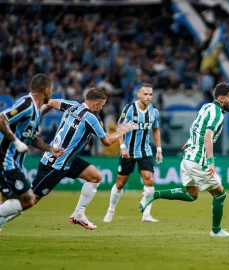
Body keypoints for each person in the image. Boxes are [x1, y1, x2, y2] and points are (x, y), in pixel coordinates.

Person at [6, 88, 135, 230]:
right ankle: (2, 217)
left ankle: (78, 214)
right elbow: (107, 141)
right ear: (95, 104)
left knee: (95, 176)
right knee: (30, 200)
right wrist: (124, 130)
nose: (101, 108)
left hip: (67, 160)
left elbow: (50, 102)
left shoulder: (73, 105)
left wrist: (37, 119)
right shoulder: (91, 117)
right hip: (54, 164)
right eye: (102, 105)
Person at [139, 83, 229, 237]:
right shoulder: (217, 114)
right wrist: (211, 161)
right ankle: (216, 231)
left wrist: (190, 141)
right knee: (220, 194)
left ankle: (153, 195)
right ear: (222, 98)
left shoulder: (206, 107)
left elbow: (197, 126)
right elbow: (208, 135)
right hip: (199, 161)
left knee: (192, 194)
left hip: (188, 158)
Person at [0, 74, 65, 232]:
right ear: (47, 90)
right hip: (5, 159)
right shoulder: (27, 103)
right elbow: (2, 118)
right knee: (28, 200)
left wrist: (50, 149)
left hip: (13, 162)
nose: (52, 93)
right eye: (51, 90)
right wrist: (16, 141)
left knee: (10, 200)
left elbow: (32, 139)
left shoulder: (36, 112)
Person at [103, 83, 163, 223]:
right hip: (128, 152)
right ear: (139, 95)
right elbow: (120, 128)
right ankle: (110, 211)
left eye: (150, 94)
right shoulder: (129, 109)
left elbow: (155, 129)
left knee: (149, 180)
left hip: (145, 151)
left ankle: (146, 214)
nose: (148, 97)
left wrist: (159, 149)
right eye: (145, 94)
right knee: (120, 183)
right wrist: (122, 147)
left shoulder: (154, 112)